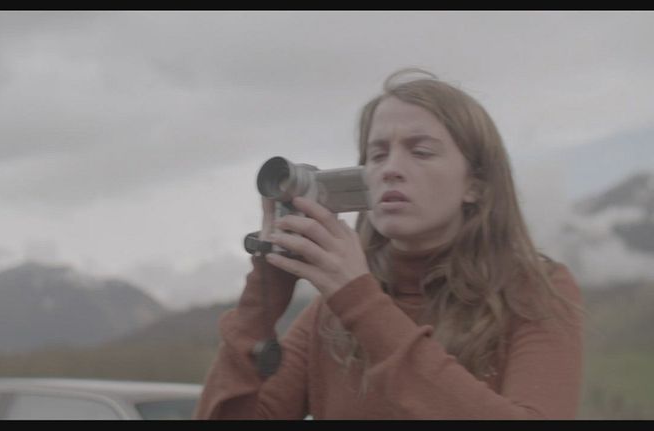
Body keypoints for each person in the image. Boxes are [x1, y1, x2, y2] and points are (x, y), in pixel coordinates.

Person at [194, 68, 584, 419]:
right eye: (377, 154)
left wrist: (360, 303)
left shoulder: (534, 291)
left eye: (421, 151)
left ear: (476, 185)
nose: (391, 169)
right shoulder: (330, 315)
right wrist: (263, 295)